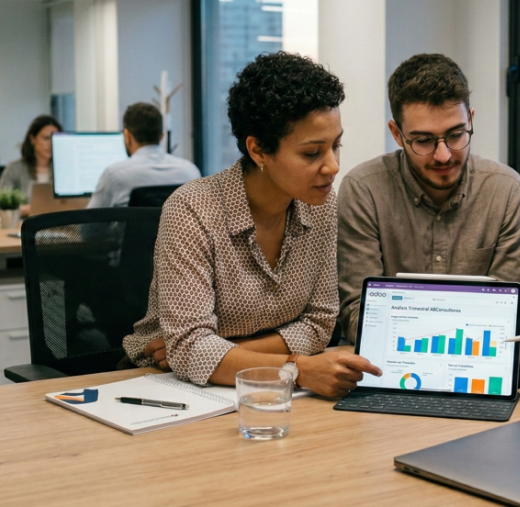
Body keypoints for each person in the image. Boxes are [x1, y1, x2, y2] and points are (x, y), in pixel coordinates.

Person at [121, 52, 382, 398]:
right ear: (258, 149)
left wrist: (223, 350)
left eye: (336, 145)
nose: (332, 166)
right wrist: (294, 368)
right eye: (312, 153)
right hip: (169, 391)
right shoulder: (192, 210)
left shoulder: (320, 205)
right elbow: (190, 349)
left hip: (256, 390)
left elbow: (319, 324)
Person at [337, 53, 520, 343]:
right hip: (388, 364)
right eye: (424, 140)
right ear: (397, 134)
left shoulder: (504, 190)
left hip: (474, 359)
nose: (443, 155)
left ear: (471, 120)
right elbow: (357, 317)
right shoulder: (364, 190)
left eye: (455, 135)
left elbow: (509, 312)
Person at [85, 102, 200, 209]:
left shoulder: (114, 175)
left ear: (127, 136)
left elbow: (88, 228)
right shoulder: (190, 172)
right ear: (162, 136)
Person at [0, 115, 61, 216]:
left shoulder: (64, 169)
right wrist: (23, 210)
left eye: (55, 138)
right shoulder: (14, 169)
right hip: (23, 227)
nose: (51, 143)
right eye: (46, 138)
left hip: (59, 228)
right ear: (32, 139)